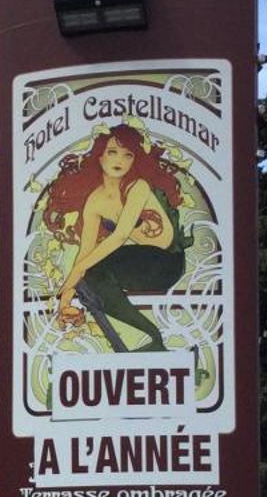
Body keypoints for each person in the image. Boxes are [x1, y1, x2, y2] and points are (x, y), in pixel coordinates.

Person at [43, 123, 190, 353]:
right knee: (90, 278)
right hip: (141, 266)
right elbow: (85, 252)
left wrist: (79, 272)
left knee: (91, 271)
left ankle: (150, 337)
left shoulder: (137, 186)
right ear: (100, 157)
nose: (119, 159)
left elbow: (120, 236)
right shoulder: (95, 200)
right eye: (112, 152)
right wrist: (65, 299)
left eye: (127, 154)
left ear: (134, 160)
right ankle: (138, 342)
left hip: (166, 263)